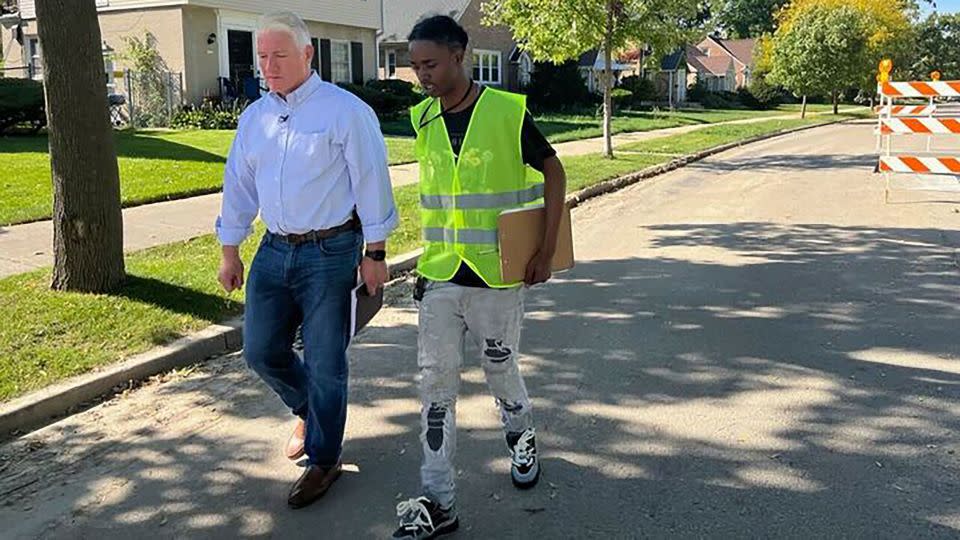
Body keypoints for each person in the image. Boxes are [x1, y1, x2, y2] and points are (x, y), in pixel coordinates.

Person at [392, 15, 567, 540]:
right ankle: (439, 501)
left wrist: (546, 247)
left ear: (459, 55)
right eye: (415, 65)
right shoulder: (421, 119)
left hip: (496, 277)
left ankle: (521, 434)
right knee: (436, 389)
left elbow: (553, 170)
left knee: (500, 370)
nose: (421, 74)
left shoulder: (506, 111)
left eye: (431, 64)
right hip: (440, 277)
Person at [215, 11, 397, 509]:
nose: (268, 66)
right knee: (260, 350)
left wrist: (375, 253)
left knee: (325, 361)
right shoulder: (255, 118)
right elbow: (239, 186)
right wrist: (230, 249)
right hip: (274, 251)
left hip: (332, 252)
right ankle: (310, 411)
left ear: (307, 54)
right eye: (262, 57)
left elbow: (371, 182)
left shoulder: (346, 111)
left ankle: (324, 459)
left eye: (279, 55)